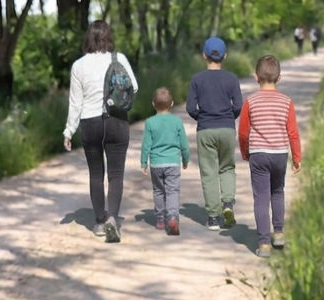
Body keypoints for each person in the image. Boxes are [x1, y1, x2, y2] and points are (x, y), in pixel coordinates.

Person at [63, 20, 138, 243]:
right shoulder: (119, 59)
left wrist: (69, 130)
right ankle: (112, 219)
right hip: (117, 121)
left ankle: (98, 222)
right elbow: (134, 87)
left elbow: (75, 102)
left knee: (96, 174)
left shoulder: (78, 66)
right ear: (108, 37)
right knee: (116, 175)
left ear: (88, 38)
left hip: (90, 123)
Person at [238, 55, 302, 258]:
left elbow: (243, 132)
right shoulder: (286, 102)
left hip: (258, 155)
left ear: (256, 77)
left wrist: (245, 151)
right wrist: (297, 157)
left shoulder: (250, 101)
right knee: (278, 192)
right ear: (279, 78)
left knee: (261, 197)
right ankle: (279, 234)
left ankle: (264, 243)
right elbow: (293, 132)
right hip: (279, 155)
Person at [187, 37, 244, 231]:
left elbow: (190, 108)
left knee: (209, 172)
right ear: (225, 56)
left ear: (204, 55)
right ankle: (227, 204)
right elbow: (238, 106)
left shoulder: (197, 79)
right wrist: (229, 117)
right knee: (227, 167)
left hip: (206, 129)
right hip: (227, 128)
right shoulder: (231, 79)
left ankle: (213, 217)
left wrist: (202, 117)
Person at [140, 87, 191, 236]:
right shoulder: (176, 121)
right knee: (172, 191)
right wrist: (185, 159)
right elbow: (184, 144)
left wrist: (144, 162)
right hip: (173, 163)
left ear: (153, 104)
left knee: (158, 190)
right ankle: (173, 218)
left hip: (156, 163)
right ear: (172, 103)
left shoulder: (150, 122)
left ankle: (160, 220)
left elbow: (146, 145)